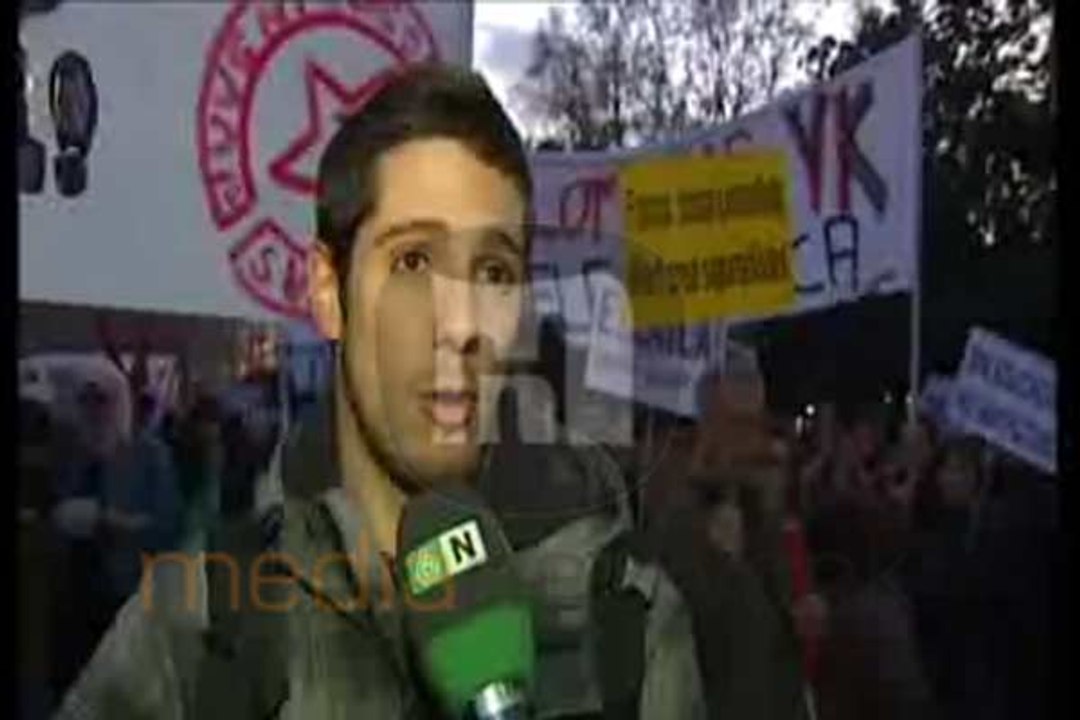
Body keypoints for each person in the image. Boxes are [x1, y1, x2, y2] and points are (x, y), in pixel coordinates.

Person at [55, 64, 708, 719]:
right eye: (413, 262)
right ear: (327, 293)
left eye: (493, 269)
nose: (461, 324)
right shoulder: (195, 629)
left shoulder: (627, 619)